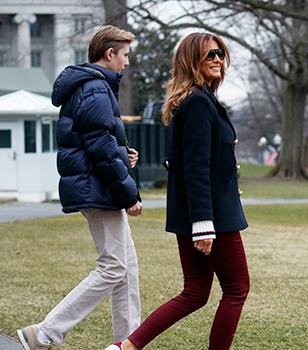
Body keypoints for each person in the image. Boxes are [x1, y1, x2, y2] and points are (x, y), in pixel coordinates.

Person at [104, 33, 249, 350]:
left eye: (220, 54)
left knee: (196, 291)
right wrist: (203, 223)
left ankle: (124, 348)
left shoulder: (199, 100)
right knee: (237, 288)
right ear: (191, 60)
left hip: (201, 214)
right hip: (211, 217)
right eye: (209, 54)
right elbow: (196, 167)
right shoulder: (197, 102)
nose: (217, 59)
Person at [17, 25, 143, 350]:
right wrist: (129, 195)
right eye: (125, 55)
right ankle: (45, 332)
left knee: (126, 267)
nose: (127, 62)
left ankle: (127, 344)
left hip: (99, 186)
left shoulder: (91, 88)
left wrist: (121, 154)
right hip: (98, 191)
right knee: (114, 266)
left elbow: (95, 142)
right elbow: (99, 148)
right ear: (110, 53)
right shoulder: (96, 89)